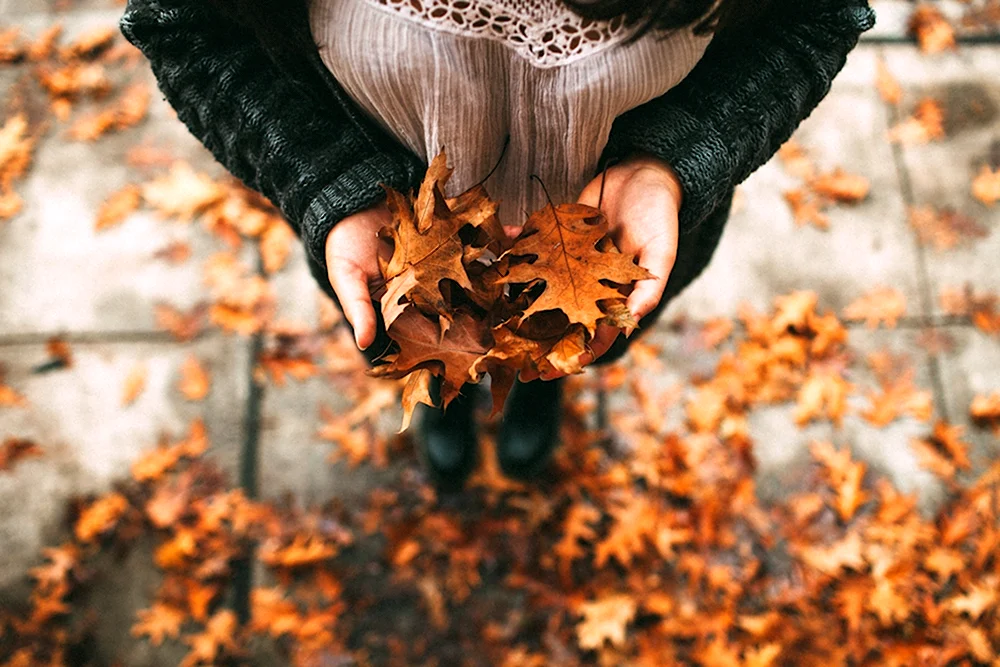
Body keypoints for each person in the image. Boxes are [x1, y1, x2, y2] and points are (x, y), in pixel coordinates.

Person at [120, 0, 876, 491]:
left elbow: (816, 16)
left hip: (597, 249)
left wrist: (673, 162)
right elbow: (183, 24)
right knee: (426, 343)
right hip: (398, 254)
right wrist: (324, 181)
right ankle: (445, 397)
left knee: (569, 338)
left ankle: (541, 389)